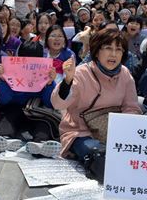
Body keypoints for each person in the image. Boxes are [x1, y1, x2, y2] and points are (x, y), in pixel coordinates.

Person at [51, 28, 141, 159]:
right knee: (99, 156)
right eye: (108, 48)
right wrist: (68, 80)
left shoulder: (125, 74)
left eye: (118, 50)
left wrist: (122, 132)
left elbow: (131, 108)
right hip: (80, 131)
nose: (114, 54)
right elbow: (57, 104)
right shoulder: (81, 72)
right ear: (97, 51)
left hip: (114, 133)